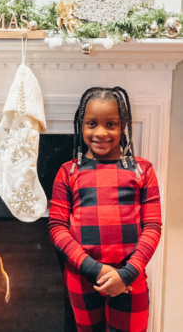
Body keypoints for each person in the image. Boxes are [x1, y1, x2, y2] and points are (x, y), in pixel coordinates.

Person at [48, 87, 162, 332]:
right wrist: (94, 268)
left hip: (129, 278)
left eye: (111, 124)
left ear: (124, 126)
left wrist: (128, 273)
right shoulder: (68, 172)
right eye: (92, 123)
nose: (100, 132)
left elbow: (152, 227)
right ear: (81, 125)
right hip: (83, 277)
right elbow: (57, 228)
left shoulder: (143, 170)